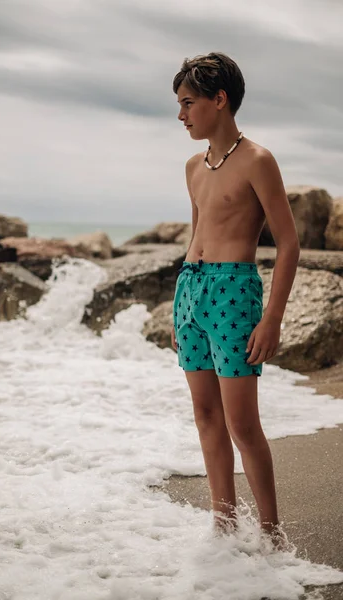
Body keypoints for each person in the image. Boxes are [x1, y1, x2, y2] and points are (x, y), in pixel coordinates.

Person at [171, 52, 300, 548]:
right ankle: (223, 525)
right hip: (191, 288)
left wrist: (272, 319)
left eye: (188, 103)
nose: (181, 115)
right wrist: (181, 296)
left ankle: (272, 534)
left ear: (219, 100)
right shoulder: (192, 166)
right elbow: (198, 230)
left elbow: (288, 243)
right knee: (205, 415)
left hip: (234, 291)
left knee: (242, 423)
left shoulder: (258, 161)